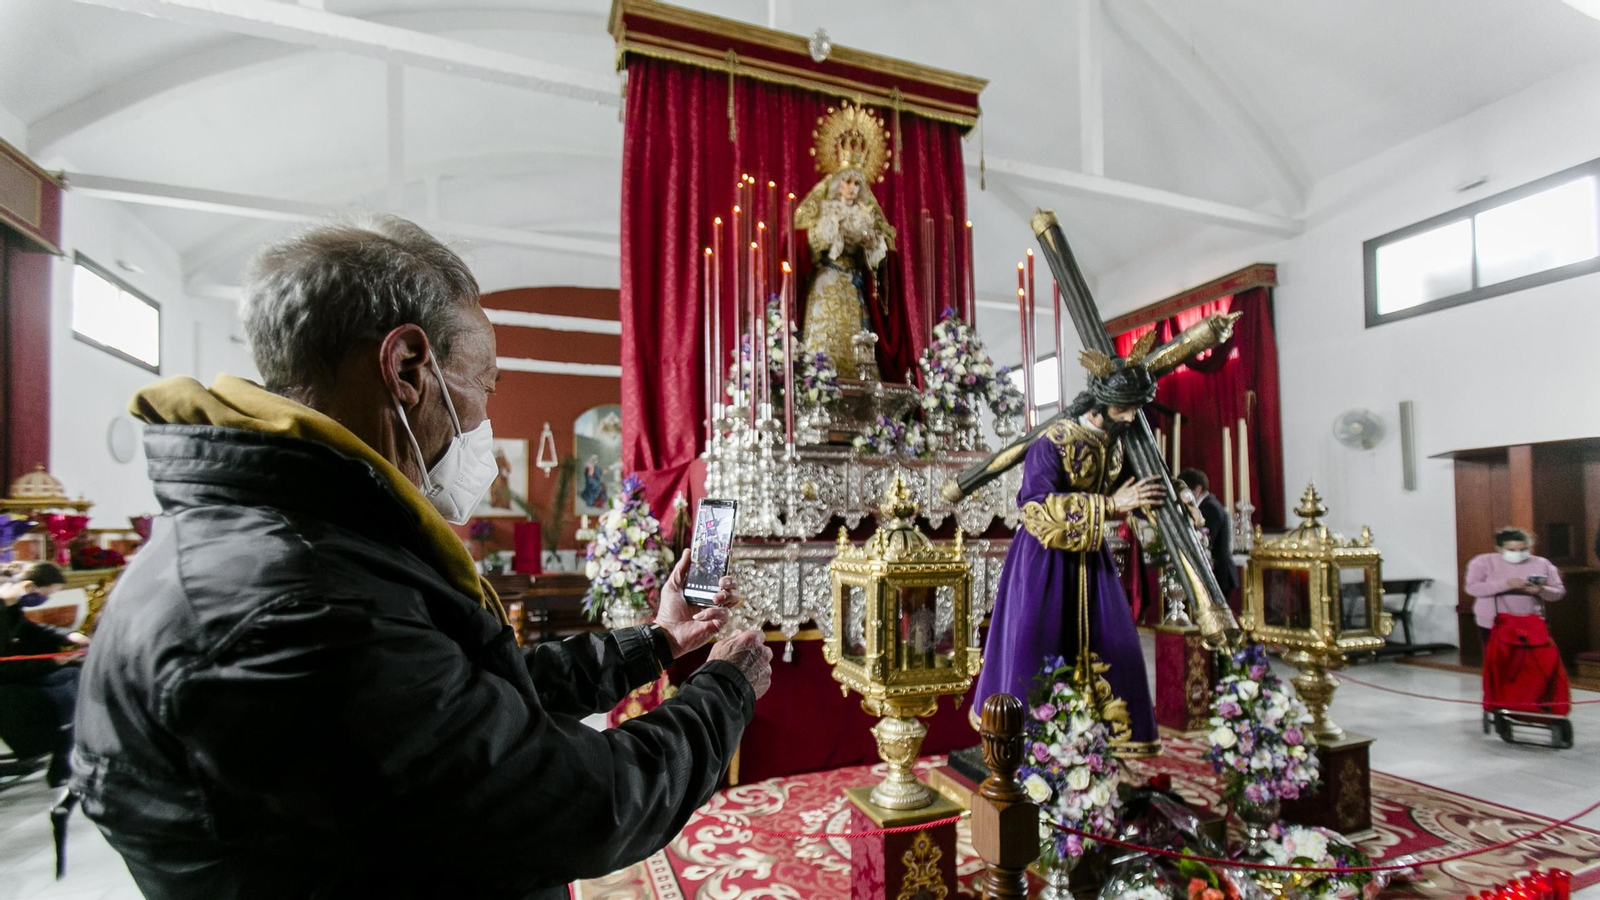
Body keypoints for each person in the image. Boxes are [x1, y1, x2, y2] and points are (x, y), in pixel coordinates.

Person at [71, 215, 773, 900]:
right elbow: (568, 804)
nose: (483, 425)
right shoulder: (296, 601)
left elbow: (468, 694)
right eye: (485, 384)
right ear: (408, 367)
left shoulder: (301, 538)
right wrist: (725, 691)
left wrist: (655, 642)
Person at [972, 340, 1167, 757]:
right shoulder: (1052, 441)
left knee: (1116, 646)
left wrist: (1170, 496)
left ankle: (1098, 742)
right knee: (1037, 646)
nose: (1131, 416)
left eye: (1135, 408)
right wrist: (1111, 506)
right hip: (1045, 562)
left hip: (1091, 562)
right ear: (1101, 401)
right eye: (1123, 408)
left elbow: (1133, 488)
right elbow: (1034, 509)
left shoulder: (1120, 441)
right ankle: (1033, 747)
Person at [795, 166, 896, 381]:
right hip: (827, 277)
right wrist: (832, 231)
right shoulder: (827, 210)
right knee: (823, 331)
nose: (852, 188)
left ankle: (859, 379)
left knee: (857, 333)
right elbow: (810, 245)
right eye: (848, 182)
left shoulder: (865, 215)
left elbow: (877, 259)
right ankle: (817, 377)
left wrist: (872, 245)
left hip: (852, 283)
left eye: (856, 183)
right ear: (838, 184)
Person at [1, 561, 90, 785]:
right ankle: (62, 752)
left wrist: (68, 635)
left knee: (76, 676)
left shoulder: (10, 607)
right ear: (28, 586)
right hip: (6, 682)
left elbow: (28, 628)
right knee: (65, 686)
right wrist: (52, 663)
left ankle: (67, 752)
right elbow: (3, 666)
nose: (45, 600)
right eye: (46, 594)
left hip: (16, 673)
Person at [1464, 526, 1566, 650]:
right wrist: (1506, 584)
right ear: (1499, 548)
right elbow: (1472, 588)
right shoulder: (1483, 561)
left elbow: (1559, 592)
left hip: (1530, 620)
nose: (1518, 553)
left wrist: (1541, 590)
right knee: (1499, 663)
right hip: (1493, 622)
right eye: (1511, 550)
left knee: (1533, 663)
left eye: (1523, 549)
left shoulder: (1542, 563)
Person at [1176, 468, 1238, 598]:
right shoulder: (1209, 504)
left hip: (1218, 575)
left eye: (1184, 491)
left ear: (1197, 489)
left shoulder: (1209, 507)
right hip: (1218, 574)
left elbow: (1206, 540)